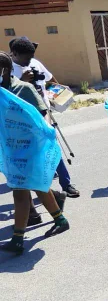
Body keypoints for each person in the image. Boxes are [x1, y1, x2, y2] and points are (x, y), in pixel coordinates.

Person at [0, 52, 70, 255]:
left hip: (31, 147)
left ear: (3, 70)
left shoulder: (24, 88)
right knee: (38, 185)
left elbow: (42, 115)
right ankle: (60, 219)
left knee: (20, 191)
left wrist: (46, 136)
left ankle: (18, 239)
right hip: (11, 148)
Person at [9, 37, 79, 199]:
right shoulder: (8, 69)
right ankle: (44, 190)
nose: (29, 61)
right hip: (22, 119)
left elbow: (50, 79)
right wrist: (22, 81)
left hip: (43, 112)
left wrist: (59, 91)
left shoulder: (35, 63)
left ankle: (66, 184)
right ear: (15, 54)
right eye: (26, 57)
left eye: (31, 57)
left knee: (51, 146)